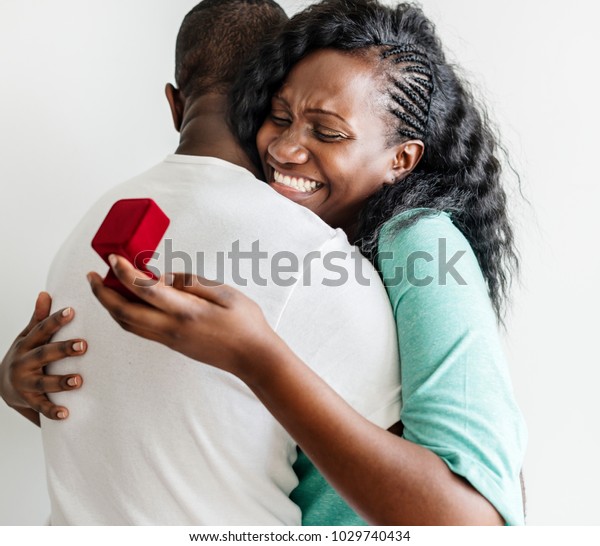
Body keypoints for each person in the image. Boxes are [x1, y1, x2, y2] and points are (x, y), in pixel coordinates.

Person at [89, 0, 527, 526]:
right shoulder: (299, 238)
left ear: (401, 159)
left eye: (328, 132)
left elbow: (475, 523)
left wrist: (258, 359)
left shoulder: (422, 246)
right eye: (280, 117)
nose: (285, 149)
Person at [0, 0, 403, 525]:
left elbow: (119, 433)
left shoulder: (86, 229)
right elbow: (414, 498)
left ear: (174, 104)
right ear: (276, 103)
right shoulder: (316, 260)